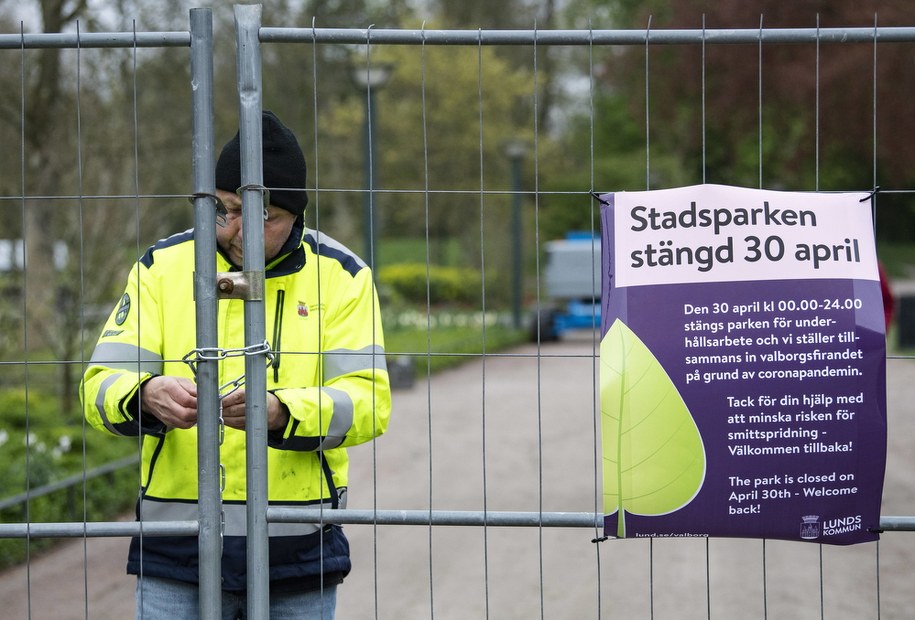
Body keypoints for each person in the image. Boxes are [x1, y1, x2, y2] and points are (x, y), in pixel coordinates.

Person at [80, 110, 392, 619]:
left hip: (295, 548)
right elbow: (98, 385)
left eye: (263, 215)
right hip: (176, 545)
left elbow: (368, 403)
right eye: (225, 209)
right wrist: (144, 393)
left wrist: (282, 412)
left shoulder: (342, 276)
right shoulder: (162, 267)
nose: (236, 229)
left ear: (296, 215)